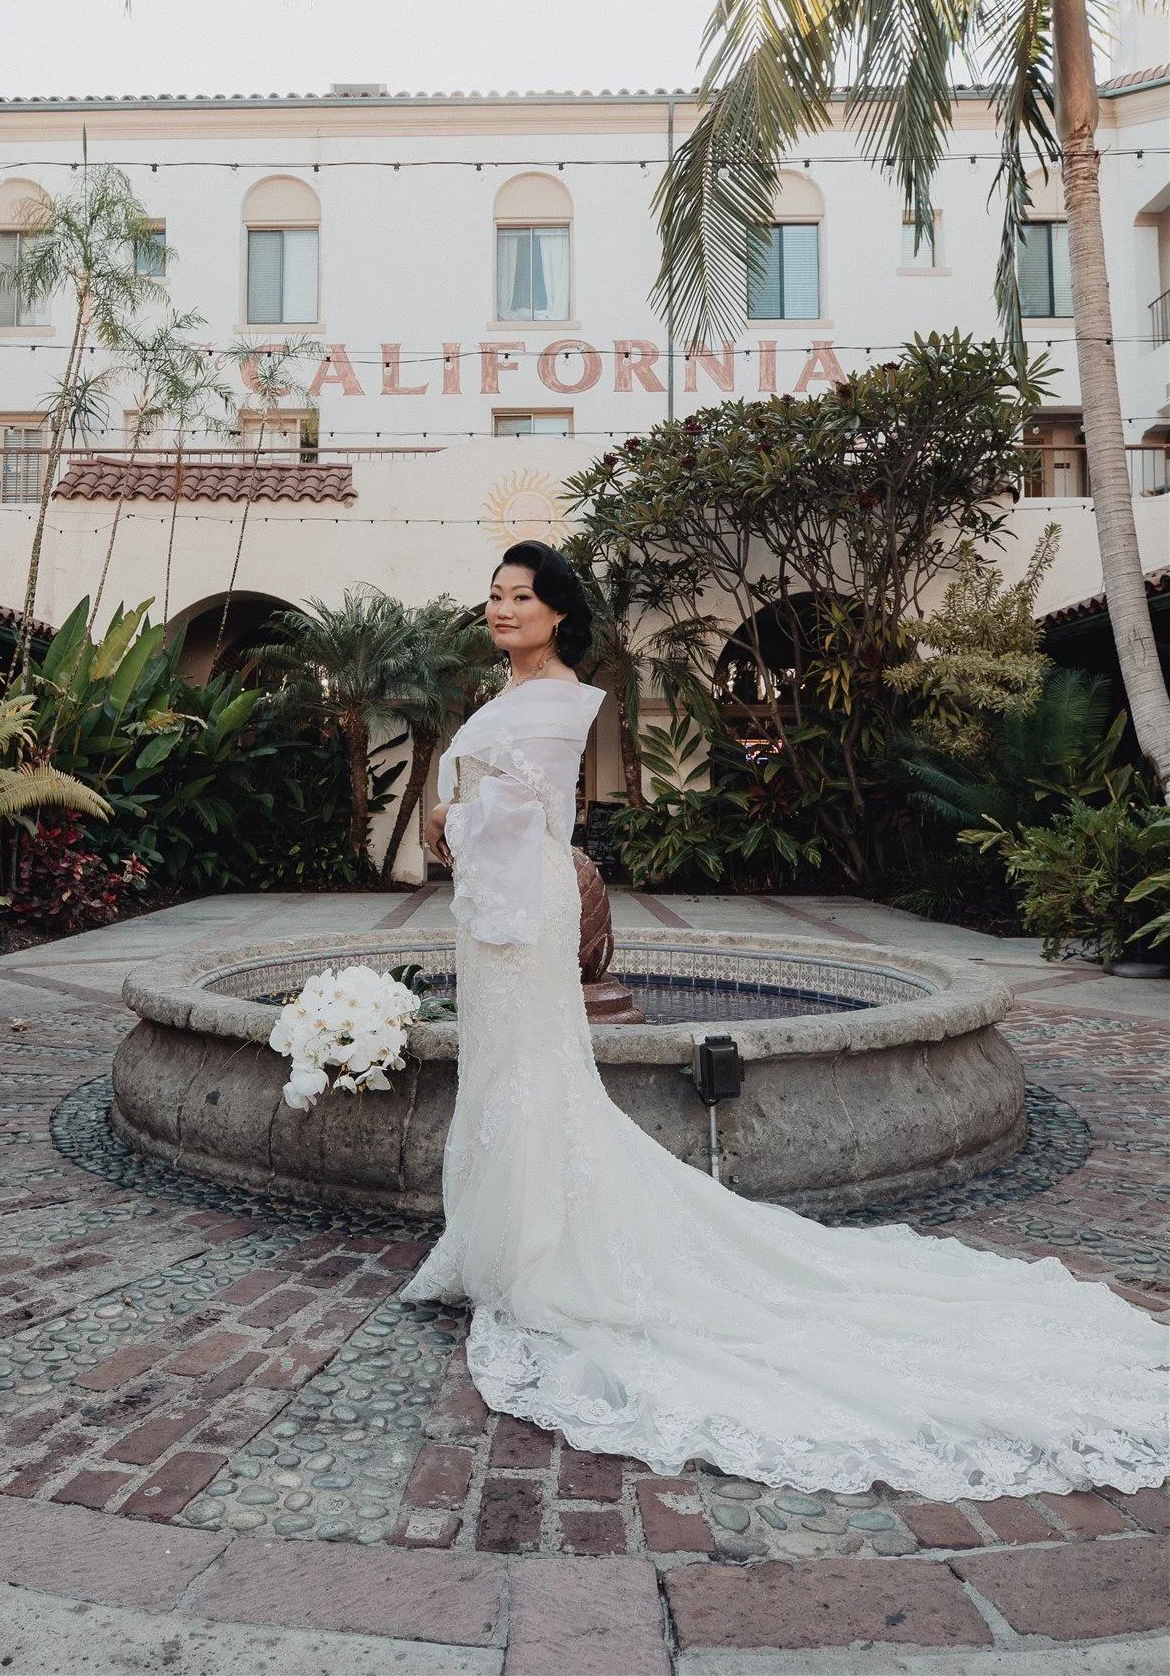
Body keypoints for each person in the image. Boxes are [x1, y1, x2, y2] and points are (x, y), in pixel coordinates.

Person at [408, 539, 1168, 1499]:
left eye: (521, 597)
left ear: (558, 613)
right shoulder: (512, 695)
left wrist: (447, 822)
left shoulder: (559, 698)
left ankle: (536, 1254)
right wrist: (449, 814)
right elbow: (488, 800)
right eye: (494, 595)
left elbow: (524, 821)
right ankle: (501, 1236)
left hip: (517, 910)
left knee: (533, 1072)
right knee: (509, 1069)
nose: (502, 609)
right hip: (494, 913)